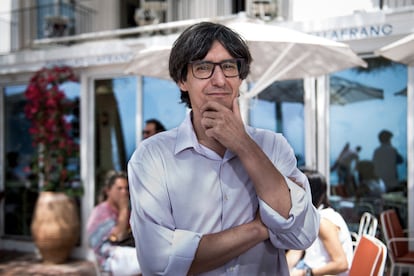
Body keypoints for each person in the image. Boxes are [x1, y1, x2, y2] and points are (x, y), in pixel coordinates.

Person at [128, 22, 319, 275]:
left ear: (240, 77)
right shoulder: (152, 157)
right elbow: (159, 263)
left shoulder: (273, 146)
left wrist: (243, 144)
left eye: (229, 67)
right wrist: (261, 228)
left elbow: (302, 234)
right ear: (182, 80)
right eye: (203, 67)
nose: (219, 80)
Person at [286, 169, 354, 276]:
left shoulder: (323, 222)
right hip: (308, 266)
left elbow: (342, 264)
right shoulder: (311, 216)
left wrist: (305, 273)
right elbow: (296, 251)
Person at [87, 170, 141, 275]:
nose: (124, 192)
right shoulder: (101, 211)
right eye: (119, 188)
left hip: (126, 254)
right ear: (108, 191)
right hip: (109, 260)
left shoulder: (125, 212)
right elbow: (117, 237)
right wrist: (124, 209)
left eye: (126, 188)